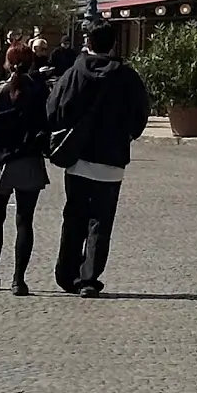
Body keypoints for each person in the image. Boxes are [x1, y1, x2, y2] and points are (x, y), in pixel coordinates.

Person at [46, 21, 151, 296]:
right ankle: (89, 278)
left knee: (74, 217)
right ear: (113, 44)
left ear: (88, 43)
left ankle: (67, 273)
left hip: (78, 157)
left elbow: (54, 108)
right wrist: (127, 135)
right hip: (112, 159)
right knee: (100, 223)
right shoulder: (126, 76)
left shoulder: (74, 72)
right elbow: (141, 111)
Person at [0, 43, 48, 296]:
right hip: (28, 161)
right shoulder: (40, 92)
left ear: (7, 63)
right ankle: (19, 280)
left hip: (1, 164)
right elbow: (46, 124)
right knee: (25, 221)